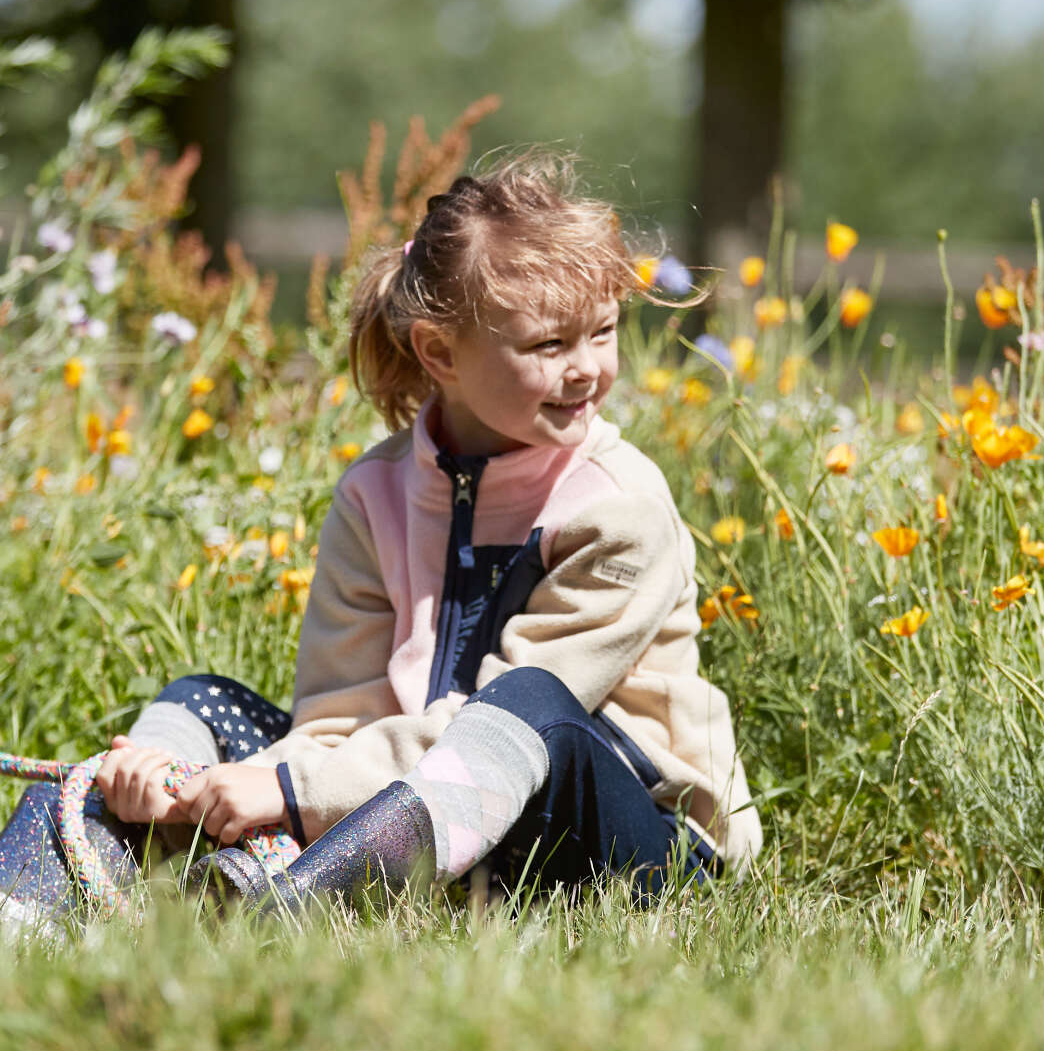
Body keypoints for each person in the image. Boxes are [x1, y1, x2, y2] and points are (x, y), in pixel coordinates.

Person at [0, 155, 761, 929]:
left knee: (532, 704)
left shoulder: (619, 507)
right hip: (415, 813)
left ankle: (280, 914)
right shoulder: (374, 494)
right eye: (547, 346)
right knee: (201, 703)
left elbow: (506, 730)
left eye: (602, 334)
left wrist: (294, 794)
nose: (587, 369)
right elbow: (338, 715)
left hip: (623, 841)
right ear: (438, 354)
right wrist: (191, 779)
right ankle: (38, 895)